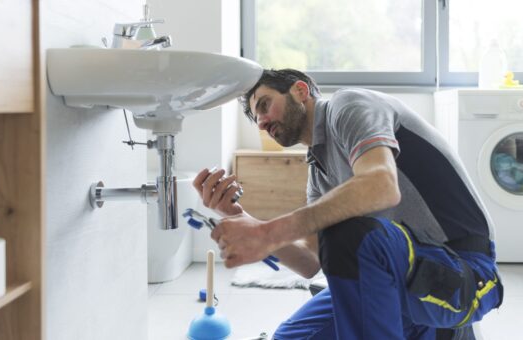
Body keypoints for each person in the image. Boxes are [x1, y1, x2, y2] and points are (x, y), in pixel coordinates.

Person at [192, 69, 503, 339]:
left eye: (264, 105)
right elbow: (310, 262)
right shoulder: (318, 172)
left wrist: (268, 233)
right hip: (400, 278)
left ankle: (442, 330)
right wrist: (242, 216)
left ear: (300, 90)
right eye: (256, 118)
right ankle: (426, 331)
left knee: (351, 234)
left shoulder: (348, 105)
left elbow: (381, 185)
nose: (261, 123)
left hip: (464, 271)